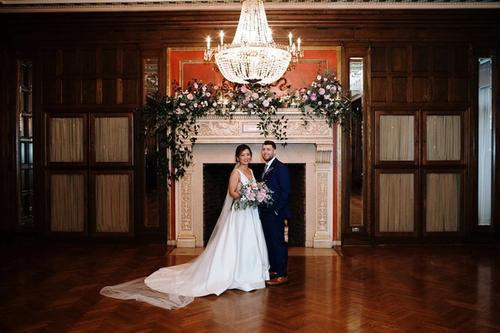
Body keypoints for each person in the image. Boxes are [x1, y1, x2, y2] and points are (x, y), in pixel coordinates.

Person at [100, 144, 270, 310]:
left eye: (248, 154)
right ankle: (233, 276)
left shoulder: (251, 171)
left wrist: (254, 194)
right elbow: (232, 192)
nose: (246, 157)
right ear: (237, 157)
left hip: (250, 212)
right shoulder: (236, 172)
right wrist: (246, 195)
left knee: (249, 243)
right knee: (237, 242)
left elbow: (253, 188)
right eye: (243, 155)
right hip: (240, 213)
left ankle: (250, 274)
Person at [259, 140, 291, 285]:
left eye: (268, 149)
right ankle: (274, 269)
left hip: (276, 213)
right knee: (269, 242)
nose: (265, 152)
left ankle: (282, 274)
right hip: (266, 213)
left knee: (278, 243)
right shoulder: (266, 167)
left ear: (274, 151)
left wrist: (277, 210)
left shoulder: (280, 167)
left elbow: (286, 192)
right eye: (264, 149)